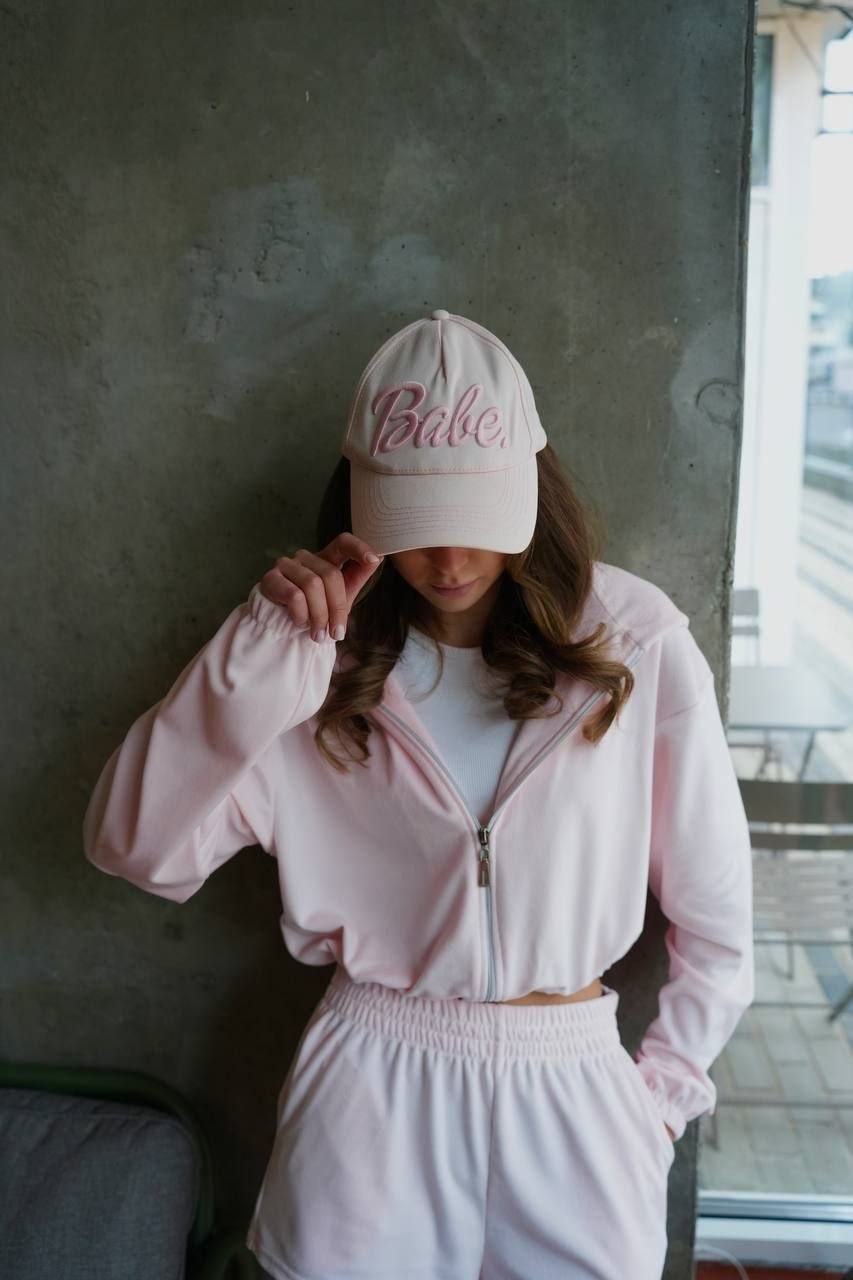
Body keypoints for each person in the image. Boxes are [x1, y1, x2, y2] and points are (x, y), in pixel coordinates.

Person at [82, 309, 755, 1280]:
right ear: (361, 501)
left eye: (474, 517)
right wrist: (255, 658)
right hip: (372, 1091)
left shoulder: (632, 641)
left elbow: (718, 917)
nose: (447, 559)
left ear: (530, 489)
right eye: (415, 520)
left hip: (574, 1092)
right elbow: (133, 847)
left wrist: (655, 1107)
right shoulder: (306, 667)